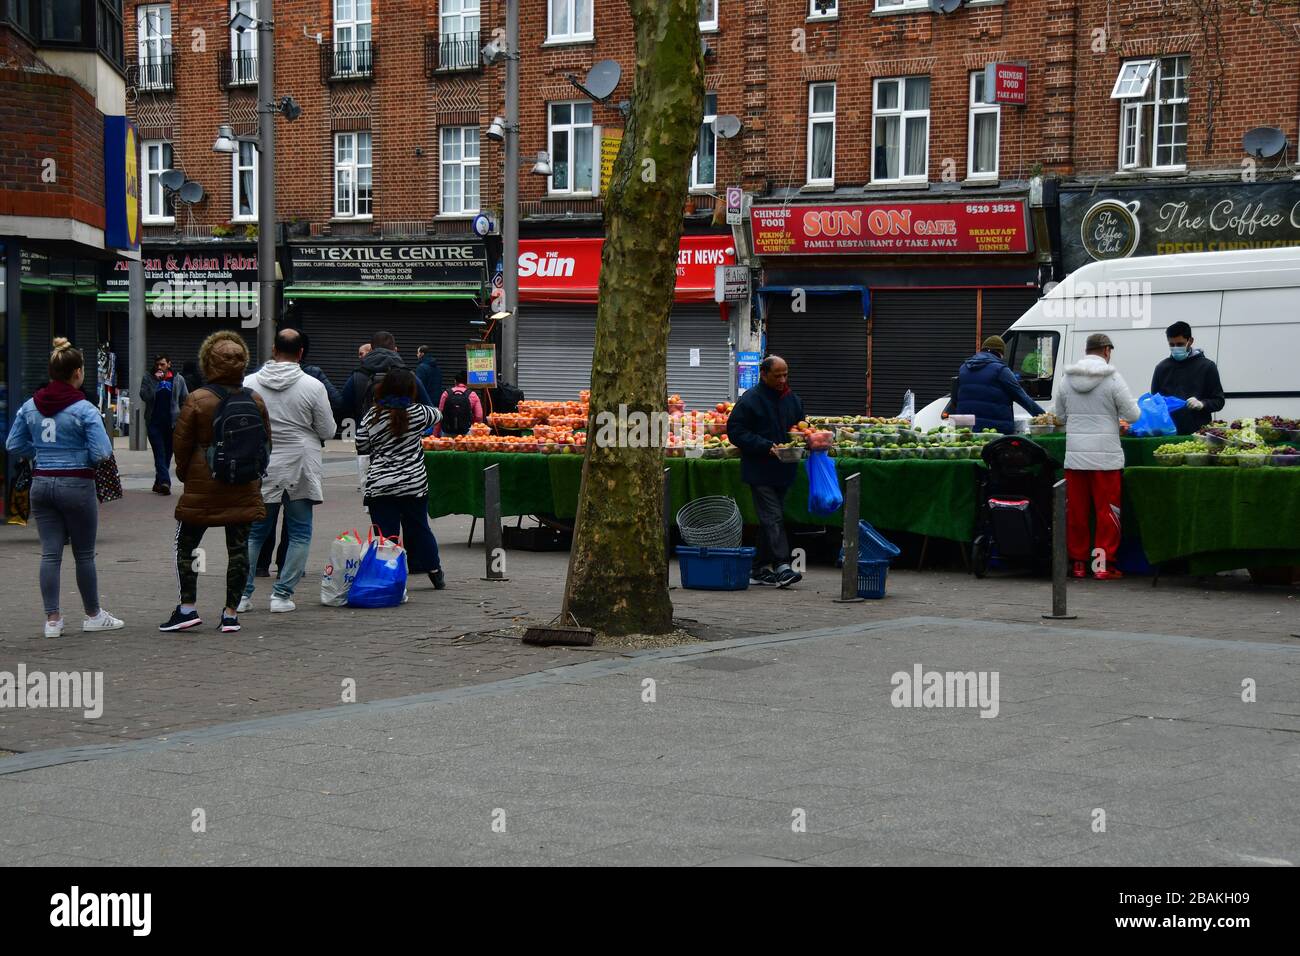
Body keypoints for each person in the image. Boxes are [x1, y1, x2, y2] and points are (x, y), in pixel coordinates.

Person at [6, 339, 125, 637]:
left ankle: (53, 620)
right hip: (76, 484)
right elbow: (102, 452)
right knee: (84, 554)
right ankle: (93, 614)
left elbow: (12, 445)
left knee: (50, 554)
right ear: (76, 373)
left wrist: (41, 454)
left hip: (42, 483)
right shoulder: (84, 409)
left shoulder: (29, 406)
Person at [162, 331, 271, 633]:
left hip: (203, 487)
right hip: (243, 486)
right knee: (238, 549)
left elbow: (181, 446)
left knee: (187, 546)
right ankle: (231, 614)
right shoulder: (255, 399)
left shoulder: (197, 399)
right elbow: (266, 446)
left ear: (208, 363)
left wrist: (186, 476)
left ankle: (187, 608)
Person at [239, 329, 335, 614]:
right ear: (301, 352)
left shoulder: (249, 383)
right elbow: (328, 429)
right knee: (300, 532)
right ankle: (282, 595)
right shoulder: (313, 386)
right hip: (302, 464)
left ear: (272, 349)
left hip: (262, 463)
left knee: (255, 533)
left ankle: (242, 595)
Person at [1052, 333, 1142, 581]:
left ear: (1087, 350)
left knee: (1077, 512)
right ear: (1106, 351)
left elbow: (1058, 417)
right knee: (1107, 512)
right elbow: (1133, 415)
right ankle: (1102, 566)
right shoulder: (1112, 377)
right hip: (1106, 458)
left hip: (1076, 458)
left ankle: (1078, 563)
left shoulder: (1067, 379)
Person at [356, 367, 447, 590]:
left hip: (381, 486)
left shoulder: (372, 415)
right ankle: (434, 572)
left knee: (385, 535)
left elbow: (361, 446)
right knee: (419, 528)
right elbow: (438, 413)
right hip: (413, 484)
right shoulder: (419, 413)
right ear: (411, 390)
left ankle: (389, 578)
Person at [726, 355, 806, 588]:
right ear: (763, 374)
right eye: (777, 375)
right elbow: (736, 431)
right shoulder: (750, 400)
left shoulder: (793, 400)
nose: (782, 379)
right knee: (772, 515)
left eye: (785, 374)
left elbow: (799, 427)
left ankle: (759, 567)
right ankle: (782, 565)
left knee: (770, 518)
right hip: (759, 469)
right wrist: (765, 446)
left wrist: (807, 436)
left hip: (785, 468)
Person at [339, 331, 434, 426]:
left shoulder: (357, 377)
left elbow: (342, 410)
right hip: (402, 435)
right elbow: (430, 411)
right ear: (395, 350)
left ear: (371, 349)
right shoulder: (410, 376)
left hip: (367, 436)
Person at [954, 335, 1045, 434]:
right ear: (1000, 353)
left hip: (966, 429)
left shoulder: (964, 368)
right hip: (994, 430)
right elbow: (1021, 397)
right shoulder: (1000, 370)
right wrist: (1044, 417)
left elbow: (956, 397)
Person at [1150, 321, 1225, 435]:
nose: (1175, 348)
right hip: (1169, 434)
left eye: (1180, 344)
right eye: (1171, 344)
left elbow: (1219, 401)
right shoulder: (1161, 368)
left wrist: (1202, 404)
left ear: (1190, 341)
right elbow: (1155, 402)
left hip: (1199, 434)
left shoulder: (1207, 366)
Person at [138, 353, 188, 495]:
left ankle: (158, 482)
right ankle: (165, 482)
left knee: (167, 455)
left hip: (172, 424)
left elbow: (185, 399)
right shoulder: (149, 378)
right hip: (154, 423)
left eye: (163, 364)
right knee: (159, 453)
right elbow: (144, 396)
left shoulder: (178, 379)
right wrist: (157, 384)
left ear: (169, 364)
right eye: (157, 364)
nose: (159, 367)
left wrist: (183, 418)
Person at [436, 370, 485, 437]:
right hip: (466, 433)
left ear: (455, 381)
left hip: (447, 433)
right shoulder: (472, 394)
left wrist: (435, 435)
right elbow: (479, 416)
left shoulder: (446, 393)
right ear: (468, 382)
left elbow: (439, 415)